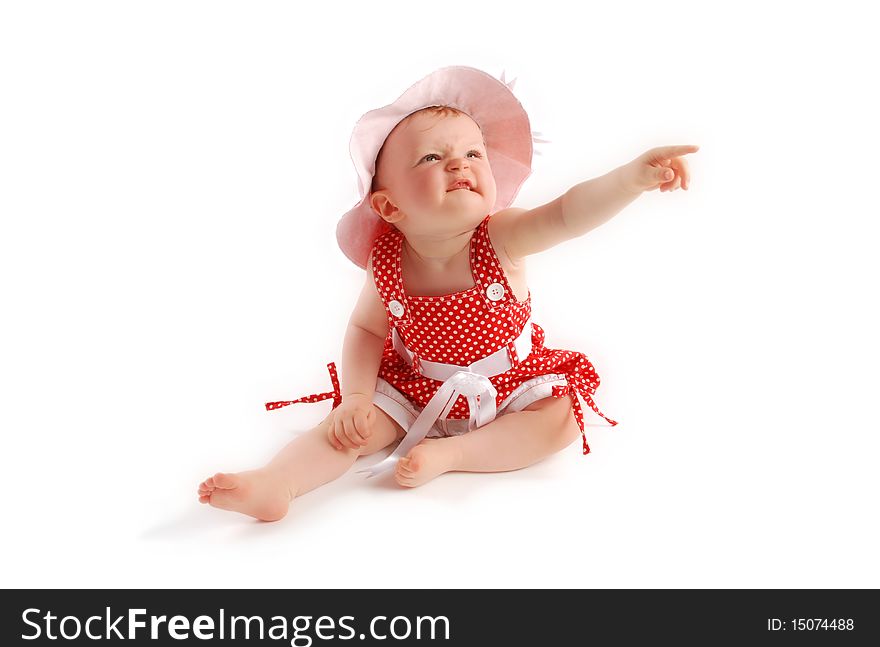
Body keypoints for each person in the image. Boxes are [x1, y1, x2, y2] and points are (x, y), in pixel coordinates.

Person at [197, 66, 698, 521]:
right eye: (433, 157)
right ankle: (277, 484)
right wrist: (354, 397)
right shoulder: (387, 258)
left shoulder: (501, 238)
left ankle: (454, 455)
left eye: (473, 153)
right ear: (389, 206)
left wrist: (631, 181)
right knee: (348, 429)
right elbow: (366, 328)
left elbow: (568, 213)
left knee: (563, 419)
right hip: (417, 390)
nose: (459, 165)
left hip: (509, 386)